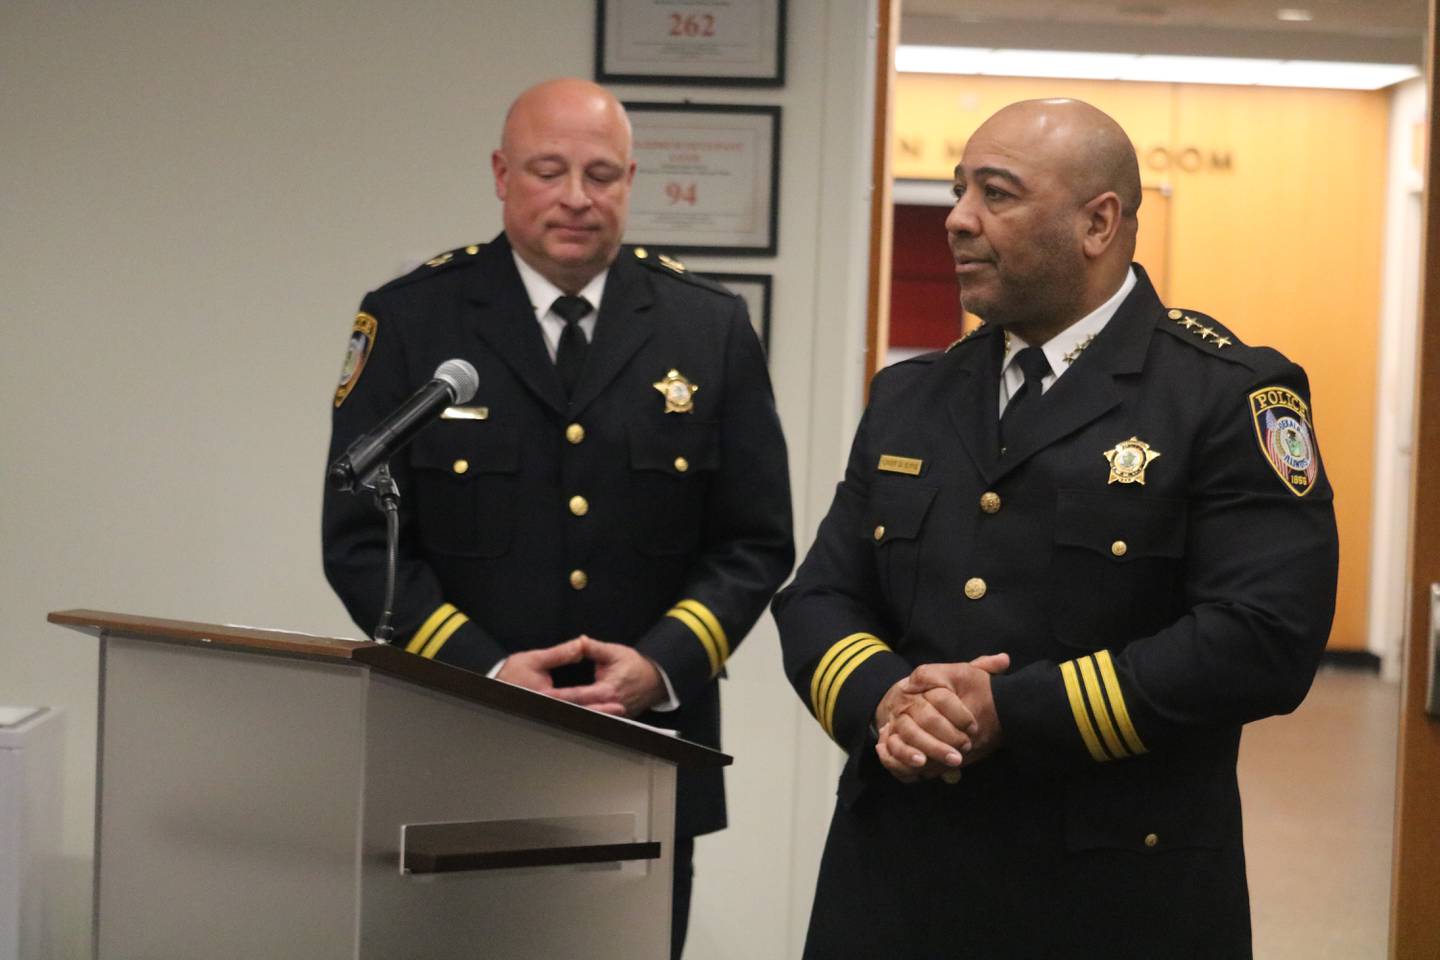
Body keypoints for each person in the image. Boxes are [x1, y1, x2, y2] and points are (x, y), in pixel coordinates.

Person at [773, 98, 1338, 959]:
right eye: (961, 191)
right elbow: (821, 594)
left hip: (1114, 894)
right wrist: (885, 698)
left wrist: (1012, 710)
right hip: (897, 883)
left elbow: (1264, 639)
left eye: (995, 195)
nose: (956, 219)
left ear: (1098, 222)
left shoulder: (1222, 395)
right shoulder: (912, 395)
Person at [322, 78, 793, 959]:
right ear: (502, 175)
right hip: (458, 745)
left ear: (630, 181)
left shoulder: (710, 327)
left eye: (602, 174)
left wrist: (663, 663)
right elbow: (359, 541)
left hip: (646, 748)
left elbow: (755, 541)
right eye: (550, 170)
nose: (578, 197)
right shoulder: (411, 320)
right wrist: (484, 669)